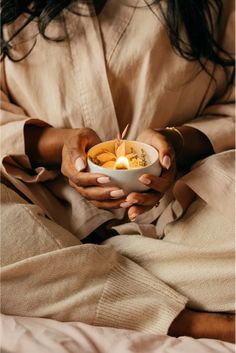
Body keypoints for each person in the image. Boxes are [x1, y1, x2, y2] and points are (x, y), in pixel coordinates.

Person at [0, 0, 235, 343]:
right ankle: (189, 320)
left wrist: (176, 144)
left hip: (185, 210)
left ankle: (68, 277)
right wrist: (59, 144)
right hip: (43, 204)